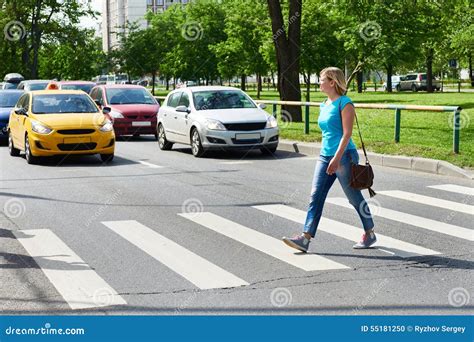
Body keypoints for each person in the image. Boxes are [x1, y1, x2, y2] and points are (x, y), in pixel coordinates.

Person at [282, 67, 376, 253]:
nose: (319, 83)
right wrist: (328, 157)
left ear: (332, 82)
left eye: (322, 79)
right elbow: (327, 133)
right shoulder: (324, 104)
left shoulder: (345, 103)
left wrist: (337, 158)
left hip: (343, 155)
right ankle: (305, 238)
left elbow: (347, 134)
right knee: (316, 195)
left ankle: (369, 232)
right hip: (325, 156)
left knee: (353, 197)